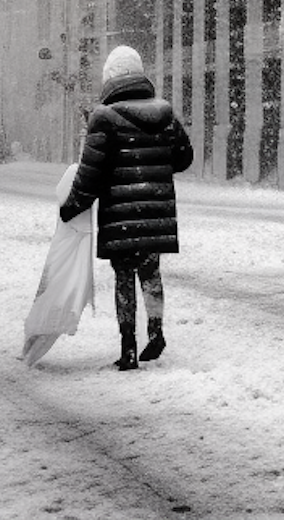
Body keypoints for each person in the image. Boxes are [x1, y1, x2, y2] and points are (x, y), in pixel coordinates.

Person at [60, 45, 193, 371]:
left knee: (124, 278)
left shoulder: (104, 118)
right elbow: (184, 157)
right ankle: (157, 332)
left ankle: (128, 348)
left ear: (110, 79)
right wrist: (155, 166)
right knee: (150, 272)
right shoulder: (164, 113)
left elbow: (89, 174)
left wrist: (72, 206)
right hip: (156, 211)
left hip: (120, 215)